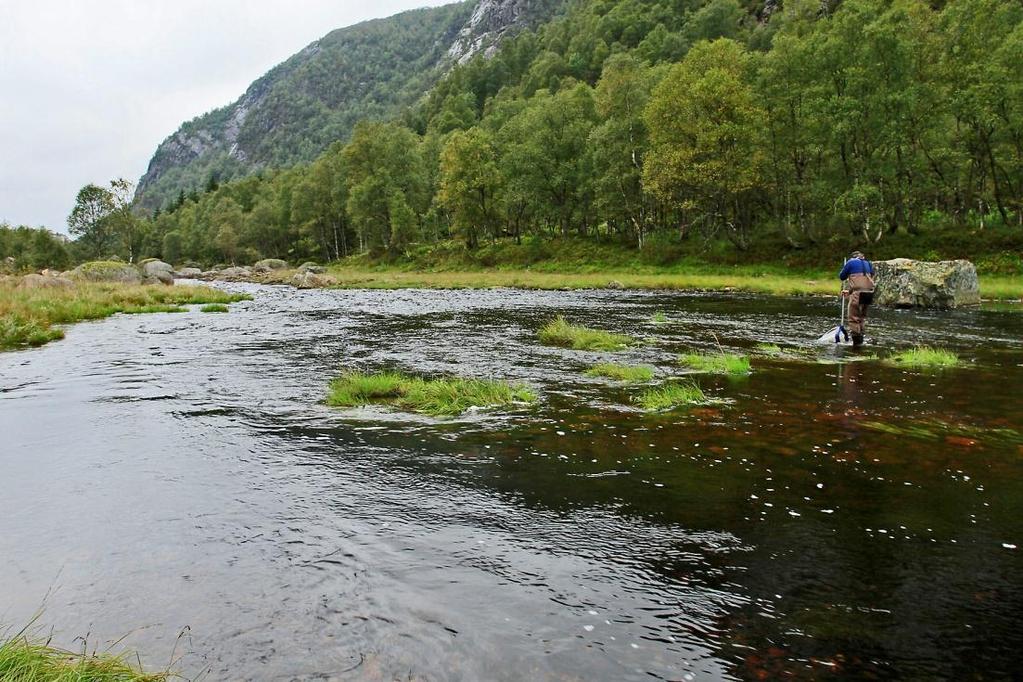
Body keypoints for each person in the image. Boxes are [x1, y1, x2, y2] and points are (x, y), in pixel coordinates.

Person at [839, 250, 875, 347]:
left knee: (853, 318)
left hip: (858, 294)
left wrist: (846, 266)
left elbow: (842, 276)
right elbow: (865, 280)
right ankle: (861, 340)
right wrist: (850, 292)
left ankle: (856, 344)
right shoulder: (868, 263)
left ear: (853, 257)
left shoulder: (850, 262)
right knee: (862, 318)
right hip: (869, 293)